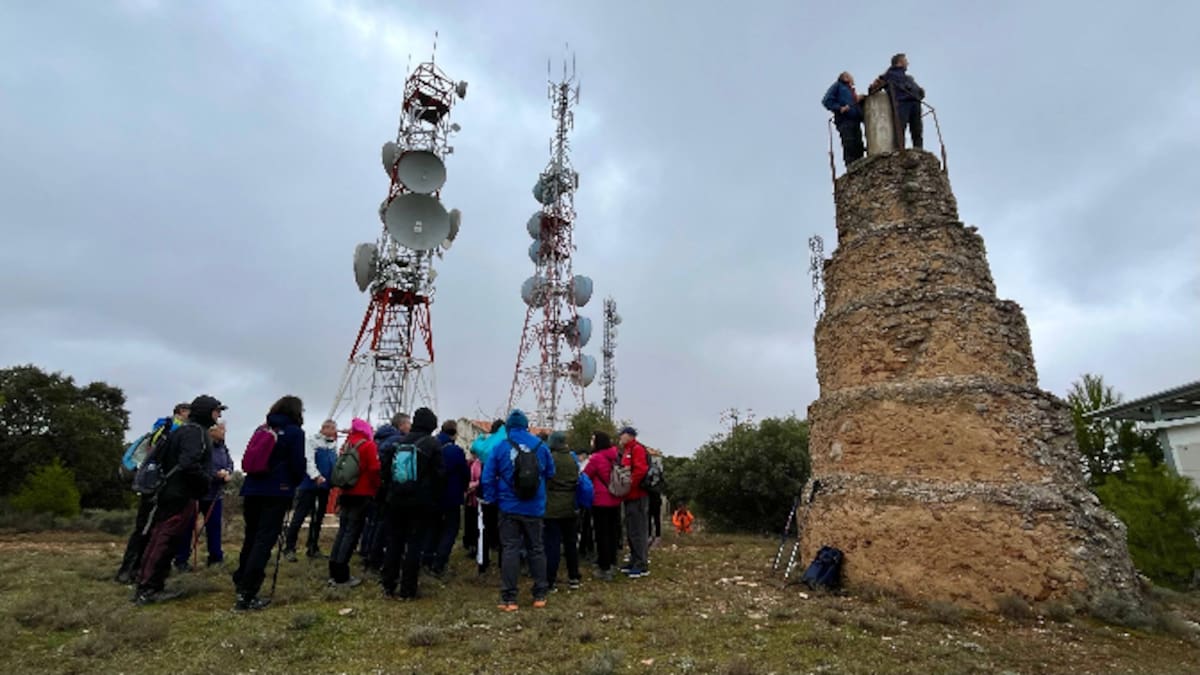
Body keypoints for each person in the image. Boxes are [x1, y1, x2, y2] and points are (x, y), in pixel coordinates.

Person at [133, 395, 223, 605]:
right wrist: (205, 482)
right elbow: (189, 464)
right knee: (165, 539)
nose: (219, 415)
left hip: (171, 492)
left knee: (161, 537)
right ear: (206, 411)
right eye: (217, 410)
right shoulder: (195, 433)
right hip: (179, 494)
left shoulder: (183, 430)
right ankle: (149, 589)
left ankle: (148, 585)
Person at [232, 395, 306, 611]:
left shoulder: (262, 428)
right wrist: (293, 483)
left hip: (252, 488)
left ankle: (241, 580)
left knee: (251, 536)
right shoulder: (294, 432)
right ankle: (248, 593)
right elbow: (298, 463)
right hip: (277, 490)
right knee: (264, 541)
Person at [481, 409, 554, 611]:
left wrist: (492, 498)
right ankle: (540, 595)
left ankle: (509, 598)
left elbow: (487, 477)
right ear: (526, 425)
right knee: (537, 549)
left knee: (510, 550)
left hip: (508, 507)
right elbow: (551, 471)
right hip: (535, 507)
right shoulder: (541, 446)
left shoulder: (500, 447)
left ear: (508, 427)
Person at [116, 401, 189, 584]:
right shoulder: (168, 428)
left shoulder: (171, 428)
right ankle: (128, 571)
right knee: (144, 528)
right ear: (181, 412)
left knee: (151, 528)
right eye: (189, 411)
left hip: (159, 484)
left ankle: (139, 570)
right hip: (154, 485)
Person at [380, 407, 444, 599]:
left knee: (394, 542)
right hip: (420, 503)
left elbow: (385, 473)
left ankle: (388, 584)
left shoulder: (399, 442)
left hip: (395, 500)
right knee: (414, 545)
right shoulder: (432, 444)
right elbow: (439, 476)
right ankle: (408, 589)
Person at [173, 419, 234, 570]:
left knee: (214, 528)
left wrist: (228, 473)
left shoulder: (223, 448)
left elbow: (230, 464)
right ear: (212, 431)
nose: (224, 432)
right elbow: (197, 466)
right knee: (187, 527)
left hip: (215, 495)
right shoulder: (202, 446)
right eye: (221, 429)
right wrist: (215, 475)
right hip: (197, 494)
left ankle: (215, 559)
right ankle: (181, 561)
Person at [328, 417, 381, 588]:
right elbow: (373, 469)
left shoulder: (347, 445)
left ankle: (334, 569)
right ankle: (342, 575)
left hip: (346, 492)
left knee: (343, 531)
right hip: (362, 493)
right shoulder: (368, 445)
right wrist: (377, 486)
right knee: (352, 533)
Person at [283, 418, 338, 561]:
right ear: (324, 428)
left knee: (318, 517)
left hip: (325, 486)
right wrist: (315, 476)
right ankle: (289, 548)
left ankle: (313, 547)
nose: (333, 431)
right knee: (299, 516)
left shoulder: (333, 445)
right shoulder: (312, 441)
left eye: (334, 429)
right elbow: (308, 460)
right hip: (309, 485)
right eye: (331, 428)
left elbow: (334, 462)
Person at [363, 412, 410, 571]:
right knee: (383, 524)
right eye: (408, 424)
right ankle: (376, 558)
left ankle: (367, 551)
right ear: (401, 425)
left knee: (373, 521)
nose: (410, 427)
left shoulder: (379, 438)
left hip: (375, 485)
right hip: (387, 486)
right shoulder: (397, 441)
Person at [427, 420, 469, 577]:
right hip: (451, 496)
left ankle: (428, 559)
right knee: (450, 529)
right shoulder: (455, 451)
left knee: (433, 528)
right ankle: (439, 564)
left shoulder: (431, 445)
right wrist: (464, 489)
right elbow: (465, 473)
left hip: (432, 495)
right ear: (454, 433)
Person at [543, 431, 581, 592]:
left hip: (552, 508)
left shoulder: (551, 459)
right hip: (571, 506)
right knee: (571, 544)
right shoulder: (573, 460)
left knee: (552, 546)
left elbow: (545, 478)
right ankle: (574, 577)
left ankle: (550, 581)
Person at [582, 431, 621, 581]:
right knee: (612, 533)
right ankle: (611, 562)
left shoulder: (596, 458)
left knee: (601, 534)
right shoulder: (615, 456)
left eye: (593, 439)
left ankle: (604, 568)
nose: (591, 442)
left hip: (600, 500)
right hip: (615, 498)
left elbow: (586, 475)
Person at [869, 53, 926, 149]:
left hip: (915, 103)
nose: (907, 63)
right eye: (905, 60)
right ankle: (900, 149)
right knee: (900, 128)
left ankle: (918, 149)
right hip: (902, 103)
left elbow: (917, 90)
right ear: (899, 62)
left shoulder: (908, 78)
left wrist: (920, 92)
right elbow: (873, 88)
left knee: (917, 129)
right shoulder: (889, 75)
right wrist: (874, 87)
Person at [618, 426, 651, 579]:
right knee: (631, 530)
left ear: (630, 435)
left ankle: (641, 563)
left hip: (637, 495)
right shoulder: (627, 451)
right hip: (629, 496)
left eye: (622, 434)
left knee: (638, 529)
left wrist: (630, 484)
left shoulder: (637, 449)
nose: (620, 437)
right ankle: (634, 558)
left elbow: (640, 469)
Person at [821, 71, 866, 168]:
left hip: (855, 120)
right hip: (845, 120)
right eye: (850, 76)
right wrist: (839, 108)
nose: (852, 79)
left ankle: (860, 165)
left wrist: (858, 100)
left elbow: (852, 103)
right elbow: (827, 100)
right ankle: (851, 166)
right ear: (845, 78)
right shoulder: (838, 86)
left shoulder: (850, 90)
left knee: (858, 143)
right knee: (849, 142)